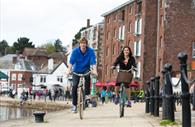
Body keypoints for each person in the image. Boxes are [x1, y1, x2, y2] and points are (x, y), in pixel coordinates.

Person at [66, 37, 98, 113]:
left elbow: (93, 62)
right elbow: (71, 62)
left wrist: (95, 71)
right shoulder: (75, 51)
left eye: (84, 43)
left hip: (86, 69)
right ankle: (74, 105)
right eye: (81, 43)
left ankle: (87, 95)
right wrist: (68, 71)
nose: (83, 45)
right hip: (76, 70)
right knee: (74, 86)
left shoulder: (90, 51)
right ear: (79, 44)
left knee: (87, 77)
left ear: (86, 44)